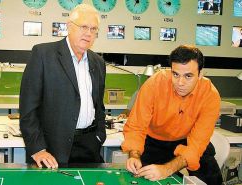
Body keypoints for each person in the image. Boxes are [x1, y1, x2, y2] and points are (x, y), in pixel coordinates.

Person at [19, 4, 106, 169]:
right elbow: (28, 109)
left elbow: (99, 106)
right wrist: (38, 149)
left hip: (89, 147)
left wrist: (99, 136)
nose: (88, 33)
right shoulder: (43, 55)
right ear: (69, 26)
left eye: (93, 29)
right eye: (84, 27)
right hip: (52, 150)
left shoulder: (98, 62)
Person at [121, 45, 222, 185]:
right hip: (154, 142)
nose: (180, 83)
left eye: (188, 76)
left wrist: (167, 169)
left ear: (200, 74)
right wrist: (134, 154)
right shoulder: (154, 84)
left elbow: (196, 146)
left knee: (213, 180)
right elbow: (136, 126)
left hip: (188, 140)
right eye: (175, 74)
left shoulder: (210, 95)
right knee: (141, 178)